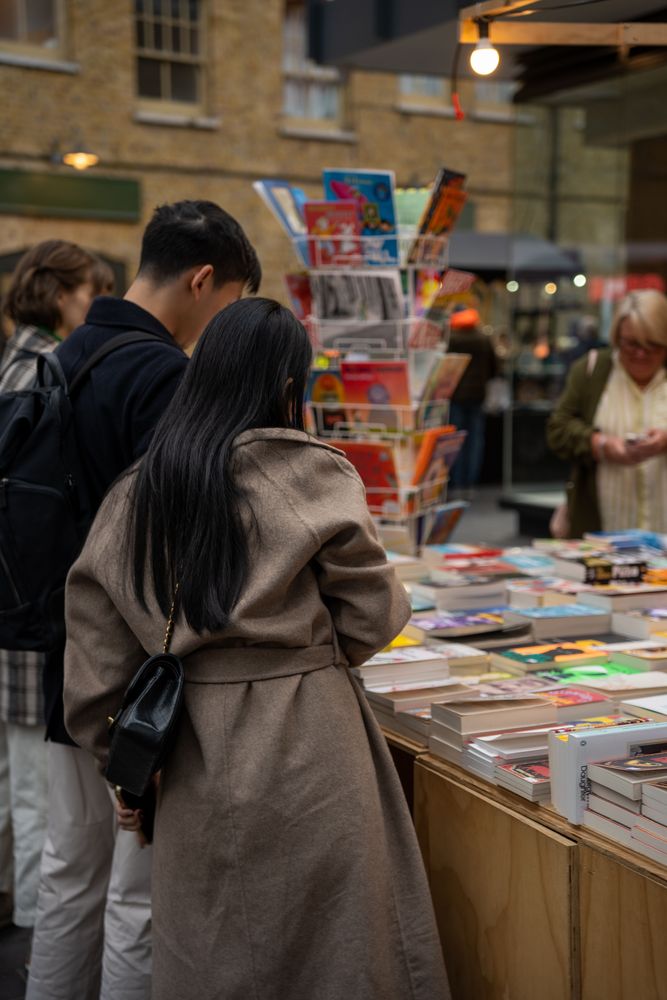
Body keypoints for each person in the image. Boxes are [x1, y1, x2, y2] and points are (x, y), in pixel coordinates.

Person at [62, 297, 450, 1000]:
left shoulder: (136, 493)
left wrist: (122, 766)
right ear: (286, 387)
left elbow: (94, 665)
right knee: (339, 950)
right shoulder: (310, 474)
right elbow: (372, 611)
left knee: (213, 949)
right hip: (313, 735)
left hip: (191, 752)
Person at [26, 200, 261, 1000]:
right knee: (137, 897)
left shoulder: (65, 354)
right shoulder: (164, 376)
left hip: (65, 658)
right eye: (228, 303)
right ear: (203, 280)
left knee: (69, 876)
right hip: (141, 675)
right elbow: (176, 546)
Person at [0, 239, 102, 937]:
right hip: (30, 609)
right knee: (36, 789)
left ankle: (16, 903)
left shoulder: (8, 361)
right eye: (88, 290)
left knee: (13, 783)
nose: (92, 303)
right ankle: (37, 928)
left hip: (4, 602)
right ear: (62, 294)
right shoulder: (45, 372)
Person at [547, 289, 667, 537]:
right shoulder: (592, 370)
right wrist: (602, 445)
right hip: (603, 532)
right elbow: (558, 429)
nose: (641, 354)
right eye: (631, 343)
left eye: (653, 345)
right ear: (616, 337)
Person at [447, 306, 498, 496]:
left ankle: (457, 482)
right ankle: (470, 482)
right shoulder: (484, 339)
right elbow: (495, 368)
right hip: (478, 396)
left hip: (456, 396)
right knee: (475, 441)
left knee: (456, 440)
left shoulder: (451, 339)